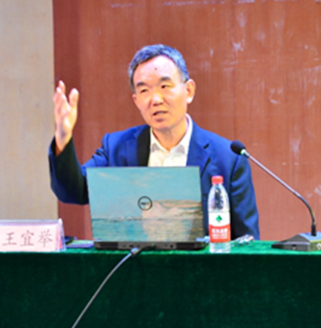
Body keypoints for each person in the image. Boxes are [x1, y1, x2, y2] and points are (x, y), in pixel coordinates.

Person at [48, 44, 260, 239]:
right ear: (136, 101)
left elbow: (248, 243)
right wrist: (63, 139)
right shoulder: (117, 148)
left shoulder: (228, 159)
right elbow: (73, 191)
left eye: (165, 86)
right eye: (144, 91)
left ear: (188, 91)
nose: (156, 99)